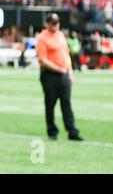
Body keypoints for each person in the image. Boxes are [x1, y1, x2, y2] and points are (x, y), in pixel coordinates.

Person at [36, 13, 83, 141]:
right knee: (50, 104)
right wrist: (59, 69)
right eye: (53, 22)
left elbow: (66, 55)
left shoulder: (61, 35)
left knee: (66, 103)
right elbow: (43, 60)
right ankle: (52, 131)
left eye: (57, 22)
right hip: (49, 75)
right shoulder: (42, 38)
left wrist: (70, 73)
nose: (55, 24)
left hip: (64, 74)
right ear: (47, 23)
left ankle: (72, 131)